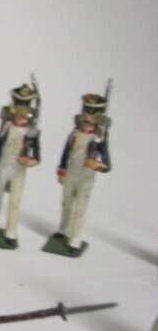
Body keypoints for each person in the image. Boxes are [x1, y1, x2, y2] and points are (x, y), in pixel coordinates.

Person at [50, 93, 112, 255]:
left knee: (80, 209)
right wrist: (62, 170)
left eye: (93, 114)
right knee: (66, 203)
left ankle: (75, 240)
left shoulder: (100, 138)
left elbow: (107, 163)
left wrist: (99, 165)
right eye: (86, 112)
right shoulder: (74, 133)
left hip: (86, 177)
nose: (88, 118)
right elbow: (66, 153)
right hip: (71, 173)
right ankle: (63, 229)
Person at [0, 84, 41, 247]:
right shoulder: (6, 126)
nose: (21, 116)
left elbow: (36, 153)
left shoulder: (32, 131)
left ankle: (11, 231)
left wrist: (32, 160)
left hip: (18, 170)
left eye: (25, 112)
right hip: (3, 166)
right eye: (18, 111)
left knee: (15, 201)